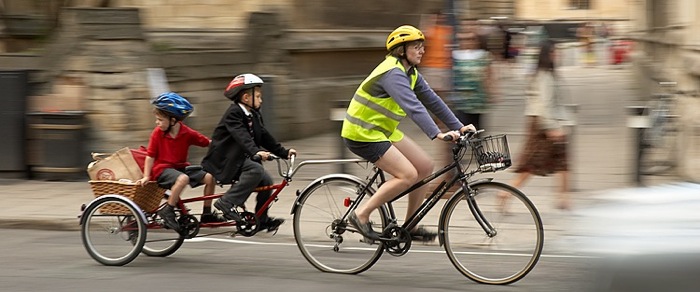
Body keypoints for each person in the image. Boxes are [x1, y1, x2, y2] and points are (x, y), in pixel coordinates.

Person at [341, 25, 476, 242]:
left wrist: (459, 126)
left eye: (422, 46)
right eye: (416, 47)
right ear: (401, 50)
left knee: (424, 166)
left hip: (383, 131)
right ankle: (360, 215)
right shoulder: (392, 73)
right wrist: (437, 133)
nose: (422, 51)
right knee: (407, 175)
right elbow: (413, 106)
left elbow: (432, 100)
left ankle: (410, 226)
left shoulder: (411, 72)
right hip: (362, 133)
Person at [201, 73, 297, 232]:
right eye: (258, 96)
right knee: (256, 169)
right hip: (226, 161)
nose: (261, 100)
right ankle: (227, 202)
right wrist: (257, 152)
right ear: (246, 98)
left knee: (266, 180)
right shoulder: (234, 113)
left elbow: (265, 136)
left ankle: (261, 219)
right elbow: (241, 136)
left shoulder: (253, 114)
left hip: (240, 158)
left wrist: (283, 152)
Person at [136, 92, 224, 232]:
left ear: (173, 120)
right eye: (157, 119)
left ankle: (207, 214)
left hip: (180, 168)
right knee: (183, 179)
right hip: (162, 170)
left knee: (209, 178)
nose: (157, 122)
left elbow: (207, 142)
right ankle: (168, 210)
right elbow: (150, 156)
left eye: (160, 119)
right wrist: (146, 176)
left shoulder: (186, 133)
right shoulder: (157, 133)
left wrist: (225, 146)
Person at [509, 40, 571, 210]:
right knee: (531, 165)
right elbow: (545, 103)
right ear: (548, 54)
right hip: (542, 123)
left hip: (544, 121)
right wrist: (552, 128)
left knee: (562, 161)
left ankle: (563, 198)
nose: (557, 55)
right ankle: (506, 193)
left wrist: (563, 122)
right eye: (554, 52)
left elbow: (554, 103)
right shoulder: (544, 76)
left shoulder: (544, 74)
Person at [419, 11, 453, 98]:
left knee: (442, 94)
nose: (437, 19)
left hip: (443, 67)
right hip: (429, 66)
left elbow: (449, 46)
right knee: (428, 93)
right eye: (435, 17)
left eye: (439, 17)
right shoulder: (428, 31)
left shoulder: (447, 30)